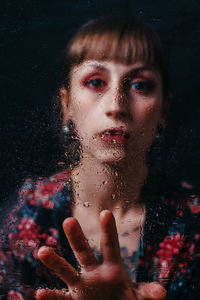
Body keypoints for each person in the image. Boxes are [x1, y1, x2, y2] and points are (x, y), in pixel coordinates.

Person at [0, 17, 200, 300]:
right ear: (67, 104)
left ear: (163, 111)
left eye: (140, 85)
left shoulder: (193, 224)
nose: (116, 106)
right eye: (95, 82)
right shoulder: (28, 214)